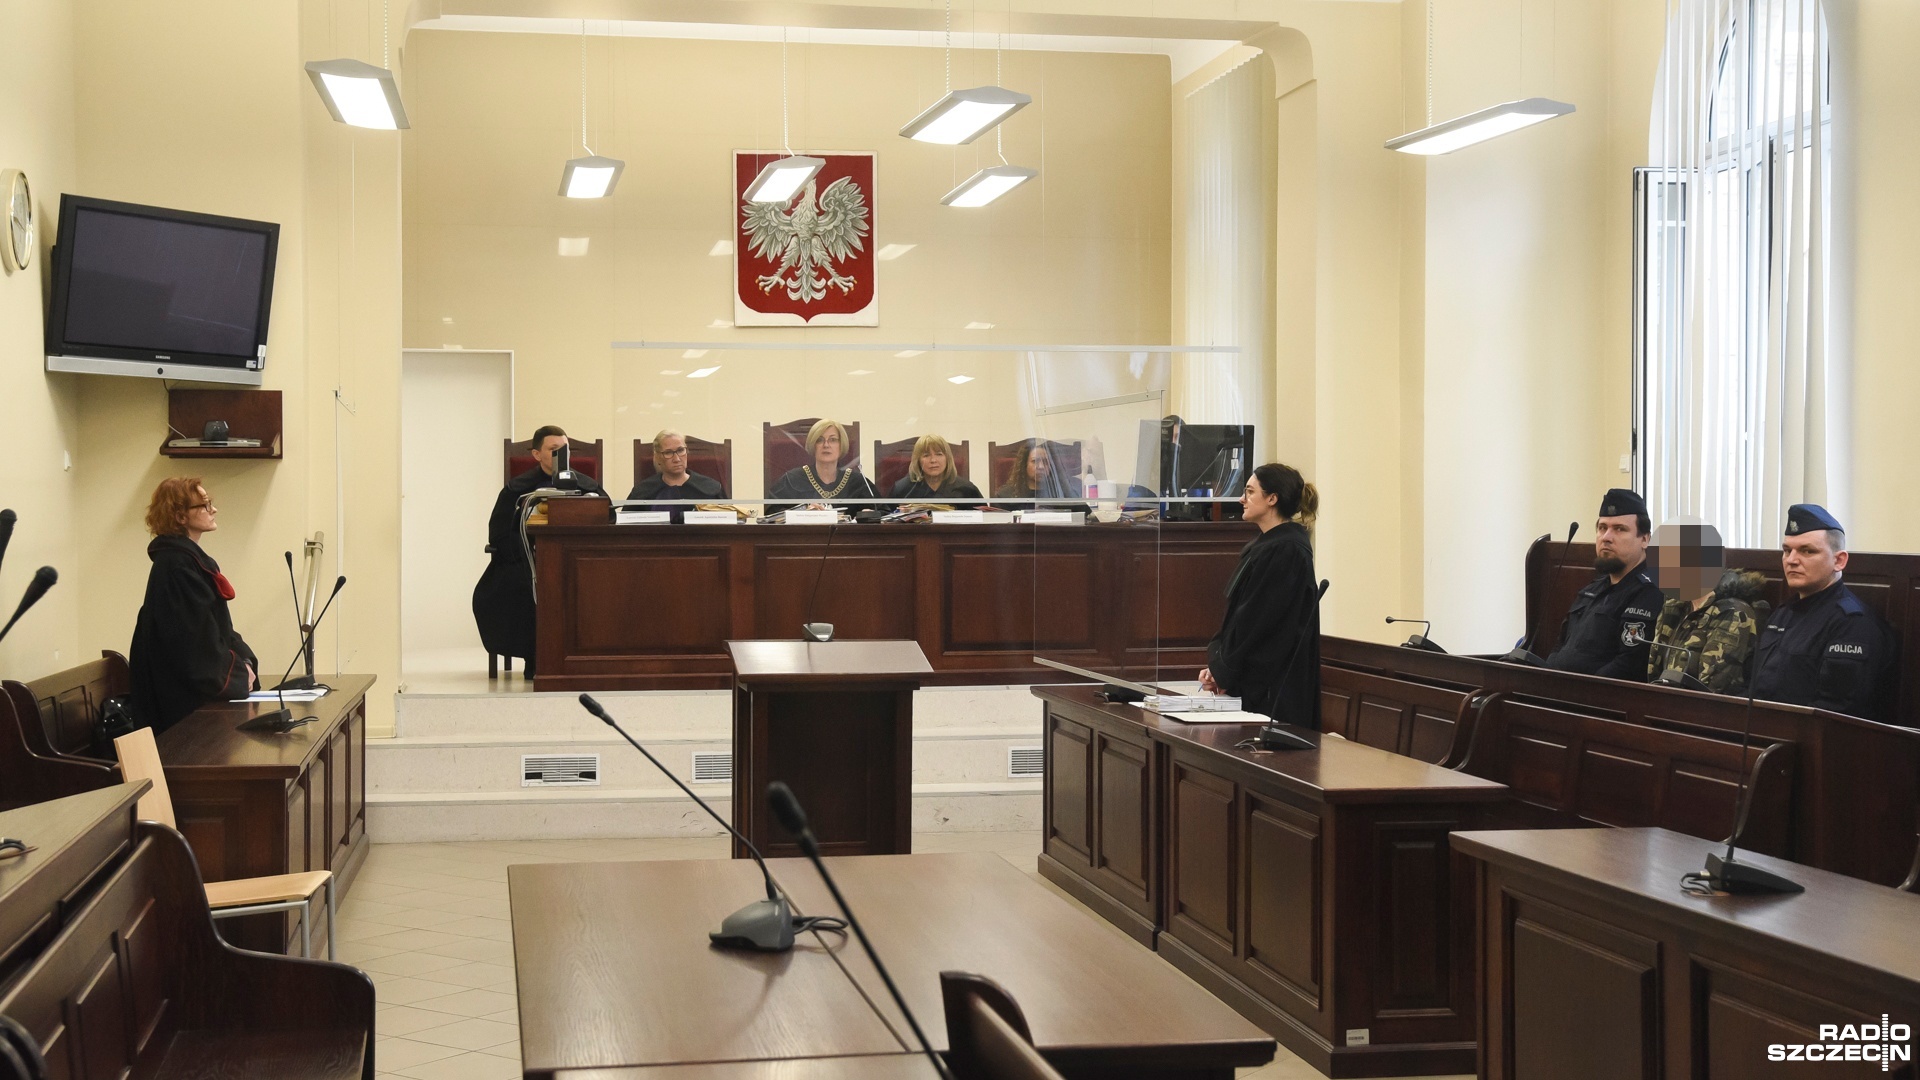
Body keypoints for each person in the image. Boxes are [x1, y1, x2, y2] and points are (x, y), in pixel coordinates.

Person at [127, 478, 259, 733]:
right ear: (180, 516)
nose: (213, 509)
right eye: (205, 505)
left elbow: (219, 630)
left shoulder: (187, 561)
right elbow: (195, 644)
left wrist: (245, 663)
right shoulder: (176, 566)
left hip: (194, 701)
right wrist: (239, 674)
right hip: (183, 710)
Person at [472, 425, 606, 675]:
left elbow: (605, 522)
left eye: (565, 449)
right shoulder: (517, 489)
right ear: (536, 454)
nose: (561, 454)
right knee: (519, 588)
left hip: (578, 561)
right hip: (526, 561)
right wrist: (530, 555)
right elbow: (499, 533)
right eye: (554, 449)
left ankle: (588, 658)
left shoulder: (588, 486)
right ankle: (535, 658)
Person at [1197, 463, 1321, 726]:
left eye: (1250, 492)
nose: (1241, 499)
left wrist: (1224, 670)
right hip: (1252, 679)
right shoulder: (1267, 546)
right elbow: (1238, 615)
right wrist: (1219, 667)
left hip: (1273, 690)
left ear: (1272, 499)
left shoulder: (1286, 550)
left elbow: (1257, 620)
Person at [1748, 504, 1896, 722]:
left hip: (1805, 738)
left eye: (1807, 551)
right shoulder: (1783, 612)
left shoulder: (1851, 623)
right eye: (1787, 550)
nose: (1791, 560)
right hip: (1762, 730)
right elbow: (1756, 687)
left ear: (1839, 560)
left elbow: (1836, 713)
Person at [1543, 488, 1663, 678]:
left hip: (1600, 694)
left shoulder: (1651, 591)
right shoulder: (1591, 589)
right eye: (1602, 528)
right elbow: (1561, 645)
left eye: (1619, 529)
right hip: (1560, 690)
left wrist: (1578, 689)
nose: (1606, 537)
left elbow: (1629, 665)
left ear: (1645, 539)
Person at [1643, 520, 1765, 694]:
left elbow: (1713, 689)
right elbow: (1654, 674)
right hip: (1664, 702)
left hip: (1706, 708)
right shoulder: (1674, 607)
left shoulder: (1733, 613)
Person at [766, 419, 876, 513]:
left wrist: (869, 515)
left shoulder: (857, 482)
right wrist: (803, 512)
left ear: (841, 445)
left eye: (833, 440)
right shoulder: (793, 479)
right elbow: (771, 512)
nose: (826, 445)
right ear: (813, 445)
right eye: (819, 440)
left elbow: (882, 511)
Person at [628, 429, 727, 521]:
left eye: (680, 450)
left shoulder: (711, 489)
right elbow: (626, 527)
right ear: (658, 457)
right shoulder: (643, 492)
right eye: (668, 453)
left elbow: (728, 525)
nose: (677, 459)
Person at [888, 434, 985, 505]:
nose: (933, 460)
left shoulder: (967, 489)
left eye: (939, 454)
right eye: (926, 455)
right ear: (918, 460)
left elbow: (985, 519)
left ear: (947, 458)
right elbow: (887, 519)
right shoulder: (902, 489)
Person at [993, 442, 1085, 506]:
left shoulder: (1064, 493)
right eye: (1035, 461)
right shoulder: (1005, 496)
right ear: (1024, 465)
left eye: (1045, 462)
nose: (1041, 466)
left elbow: (1085, 519)